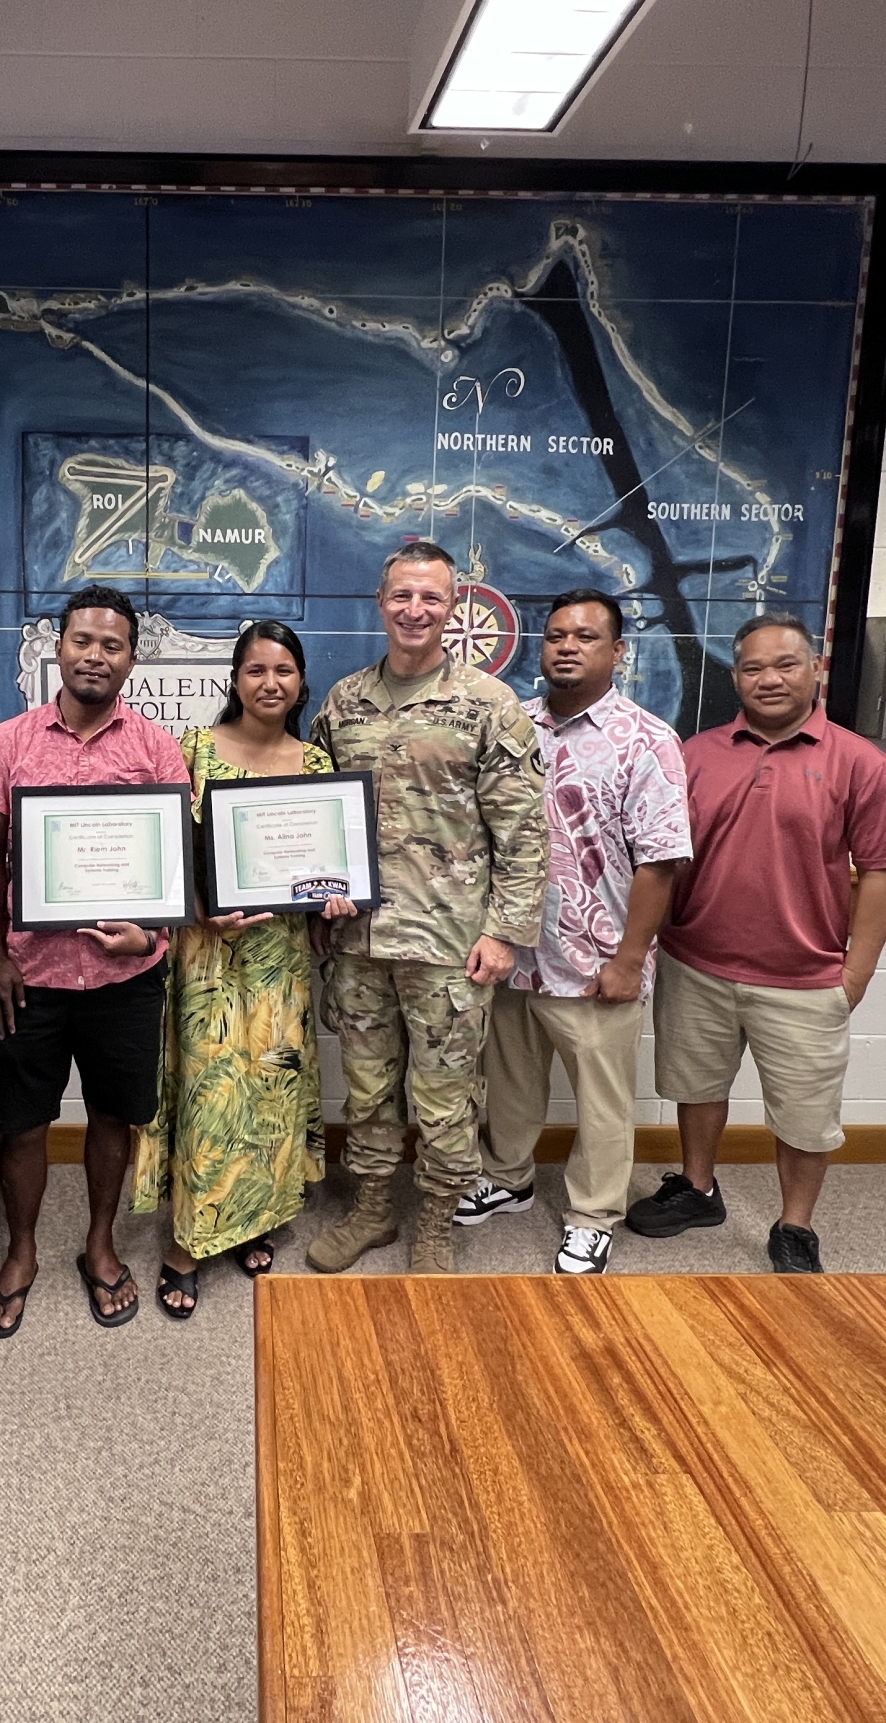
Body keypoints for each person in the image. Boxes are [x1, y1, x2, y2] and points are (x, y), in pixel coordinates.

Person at [625, 612, 886, 1273]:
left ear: (816, 669)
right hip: (696, 961)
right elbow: (661, 858)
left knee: (806, 1114)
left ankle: (795, 1225)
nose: (769, 678)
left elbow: (882, 872)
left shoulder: (859, 762)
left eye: (786, 664)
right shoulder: (693, 755)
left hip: (807, 976)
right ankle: (698, 1189)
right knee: (696, 1086)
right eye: (753, 667)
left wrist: (856, 975)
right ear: (736, 677)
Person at [305, 540, 545, 1276]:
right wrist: (313, 894)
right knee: (371, 1087)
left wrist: (506, 934)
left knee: (445, 1097)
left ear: (452, 607)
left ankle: (436, 1221)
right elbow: (312, 813)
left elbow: (524, 828)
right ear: (381, 603)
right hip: (359, 940)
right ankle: (375, 1208)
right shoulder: (344, 702)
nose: (416, 609)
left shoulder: (487, 704)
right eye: (403, 595)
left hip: (451, 943)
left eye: (431, 598)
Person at [0, 583, 191, 1335]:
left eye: (113, 644)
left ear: (132, 656)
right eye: (83, 641)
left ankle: (98, 1244)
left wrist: (153, 936)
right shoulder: (10, 741)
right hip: (28, 978)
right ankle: (23, 1250)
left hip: (124, 979)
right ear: (58, 647)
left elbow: (172, 864)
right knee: (21, 1123)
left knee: (113, 1115)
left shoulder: (156, 747)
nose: (96, 655)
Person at [455, 589, 691, 1275]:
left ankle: (593, 1213)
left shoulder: (646, 739)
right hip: (514, 952)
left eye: (586, 636)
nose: (566, 645)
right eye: (556, 634)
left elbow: (661, 859)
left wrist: (630, 957)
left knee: (602, 1100)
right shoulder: (509, 724)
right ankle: (509, 1176)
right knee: (512, 1081)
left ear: (618, 651)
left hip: (597, 962)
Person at [133, 621, 355, 1318]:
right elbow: (166, 851)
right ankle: (189, 1241)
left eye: (283, 670)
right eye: (256, 669)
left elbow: (326, 864)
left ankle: (255, 1217)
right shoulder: (192, 750)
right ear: (235, 678)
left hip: (280, 961)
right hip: (207, 959)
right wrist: (199, 908)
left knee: (272, 1090)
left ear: (300, 682)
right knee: (212, 1095)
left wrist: (335, 895)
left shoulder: (317, 766)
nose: (270, 683)